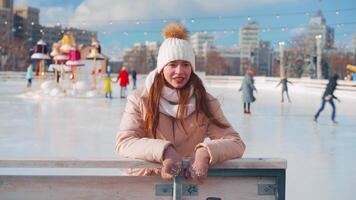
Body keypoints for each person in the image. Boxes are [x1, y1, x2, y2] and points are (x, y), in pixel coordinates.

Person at [115, 23, 245, 183]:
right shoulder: (140, 99)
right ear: (162, 68)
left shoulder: (205, 102)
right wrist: (164, 151)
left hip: (186, 186)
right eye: (172, 64)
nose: (179, 71)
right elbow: (125, 142)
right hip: (144, 184)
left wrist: (205, 152)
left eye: (185, 65)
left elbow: (235, 143)